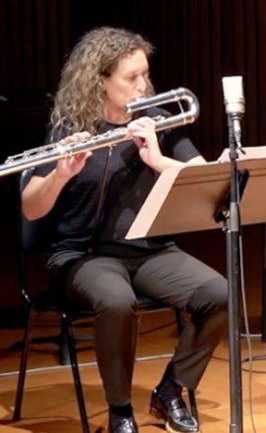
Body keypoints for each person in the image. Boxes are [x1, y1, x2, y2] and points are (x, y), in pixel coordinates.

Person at [22, 27, 228, 433]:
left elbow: (205, 179)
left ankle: (171, 390)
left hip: (149, 251)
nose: (143, 85)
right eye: (131, 77)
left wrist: (158, 160)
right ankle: (120, 412)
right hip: (83, 256)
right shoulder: (71, 126)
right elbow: (31, 207)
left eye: (145, 75)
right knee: (117, 301)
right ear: (101, 80)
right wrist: (62, 174)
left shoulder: (160, 122)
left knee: (220, 294)